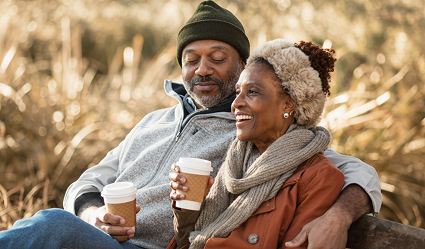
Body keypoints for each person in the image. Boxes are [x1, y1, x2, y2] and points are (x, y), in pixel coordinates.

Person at [0, 1, 381, 249]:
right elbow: (89, 181)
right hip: (98, 239)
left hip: (155, 247)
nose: (202, 69)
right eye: (191, 58)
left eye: (218, 57)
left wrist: (340, 215)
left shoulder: (250, 127)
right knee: (59, 224)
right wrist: (91, 214)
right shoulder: (153, 122)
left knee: (52, 226)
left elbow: (349, 170)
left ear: (241, 68)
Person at [167, 38, 345, 249]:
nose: (235, 104)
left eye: (252, 92)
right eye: (237, 92)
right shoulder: (236, 160)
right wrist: (187, 207)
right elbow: (186, 242)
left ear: (288, 104)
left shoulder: (318, 177)